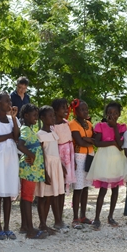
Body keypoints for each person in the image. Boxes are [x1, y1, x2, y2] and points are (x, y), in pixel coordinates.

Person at [86, 102, 127, 229]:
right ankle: (97, 218)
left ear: (119, 114)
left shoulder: (122, 127)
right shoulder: (100, 126)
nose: (112, 115)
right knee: (103, 190)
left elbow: (120, 146)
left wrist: (115, 127)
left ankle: (110, 216)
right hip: (104, 161)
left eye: (115, 113)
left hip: (116, 161)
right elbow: (98, 143)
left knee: (115, 190)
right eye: (110, 113)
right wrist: (112, 142)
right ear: (106, 114)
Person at [0, 91, 20, 240]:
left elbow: (17, 137)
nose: (10, 104)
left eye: (10, 101)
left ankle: (7, 226)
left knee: (7, 193)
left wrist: (14, 119)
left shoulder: (12, 119)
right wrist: (9, 136)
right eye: (7, 101)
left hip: (11, 157)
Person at [17, 104, 47, 239]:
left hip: (32, 170)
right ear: (26, 116)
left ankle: (25, 226)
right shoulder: (25, 129)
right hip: (29, 169)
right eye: (34, 115)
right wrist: (32, 155)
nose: (36, 117)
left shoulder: (30, 130)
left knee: (26, 198)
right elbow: (20, 145)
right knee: (27, 198)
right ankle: (30, 230)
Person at [36, 106, 64, 235]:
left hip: (55, 167)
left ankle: (45, 224)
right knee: (43, 197)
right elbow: (41, 154)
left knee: (50, 196)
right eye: (50, 116)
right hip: (46, 167)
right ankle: (42, 224)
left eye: (54, 115)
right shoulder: (40, 135)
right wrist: (44, 172)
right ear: (42, 118)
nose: (53, 118)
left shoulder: (53, 133)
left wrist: (61, 166)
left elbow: (55, 151)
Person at [68, 99, 95, 229]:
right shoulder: (72, 124)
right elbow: (79, 142)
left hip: (90, 156)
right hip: (79, 156)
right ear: (76, 111)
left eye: (86, 109)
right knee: (78, 188)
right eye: (82, 109)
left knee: (85, 187)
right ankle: (75, 218)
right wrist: (90, 141)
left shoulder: (89, 123)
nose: (85, 111)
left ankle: (83, 216)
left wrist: (87, 140)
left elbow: (95, 139)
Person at [52, 98, 75, 230]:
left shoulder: (66, 123)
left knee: (62, 191)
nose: (66, 110)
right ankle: (56, 219)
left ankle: (60, 218)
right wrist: (60, 165)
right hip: (59, 159)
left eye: (66, 107)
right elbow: (53, 146)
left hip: (68, 158)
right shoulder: (52, 126)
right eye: (63, 108)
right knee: (57, 190)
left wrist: (72, 161)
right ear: (55, 110)